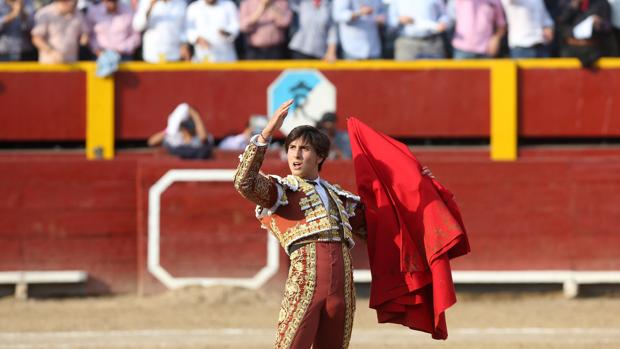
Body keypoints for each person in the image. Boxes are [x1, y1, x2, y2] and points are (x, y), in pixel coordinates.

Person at [233, 100, 366, 348]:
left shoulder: (340, 198)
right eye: (292, 147)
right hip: (305, 286)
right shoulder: (283, 191)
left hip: (343, 290)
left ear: (320, 156)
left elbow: (380, 227)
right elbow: (244, 182)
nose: (295, 154)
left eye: (304, 148)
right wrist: (266, 134)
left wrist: (416, 186)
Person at [556, 0, 617, 66]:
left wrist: (600, 24)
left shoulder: (601, 3)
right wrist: (572, 8)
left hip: (591, 52)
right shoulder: (567, 4)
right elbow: (560, 26)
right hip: (570, 51)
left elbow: (608, 28)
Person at [147, 103, 214, 160]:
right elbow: (152, 142)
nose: (189, 123)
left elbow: (203, 138)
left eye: (191, 120)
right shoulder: (175, 137)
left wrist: (195, 115)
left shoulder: (202, 136)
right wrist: (171, 127)